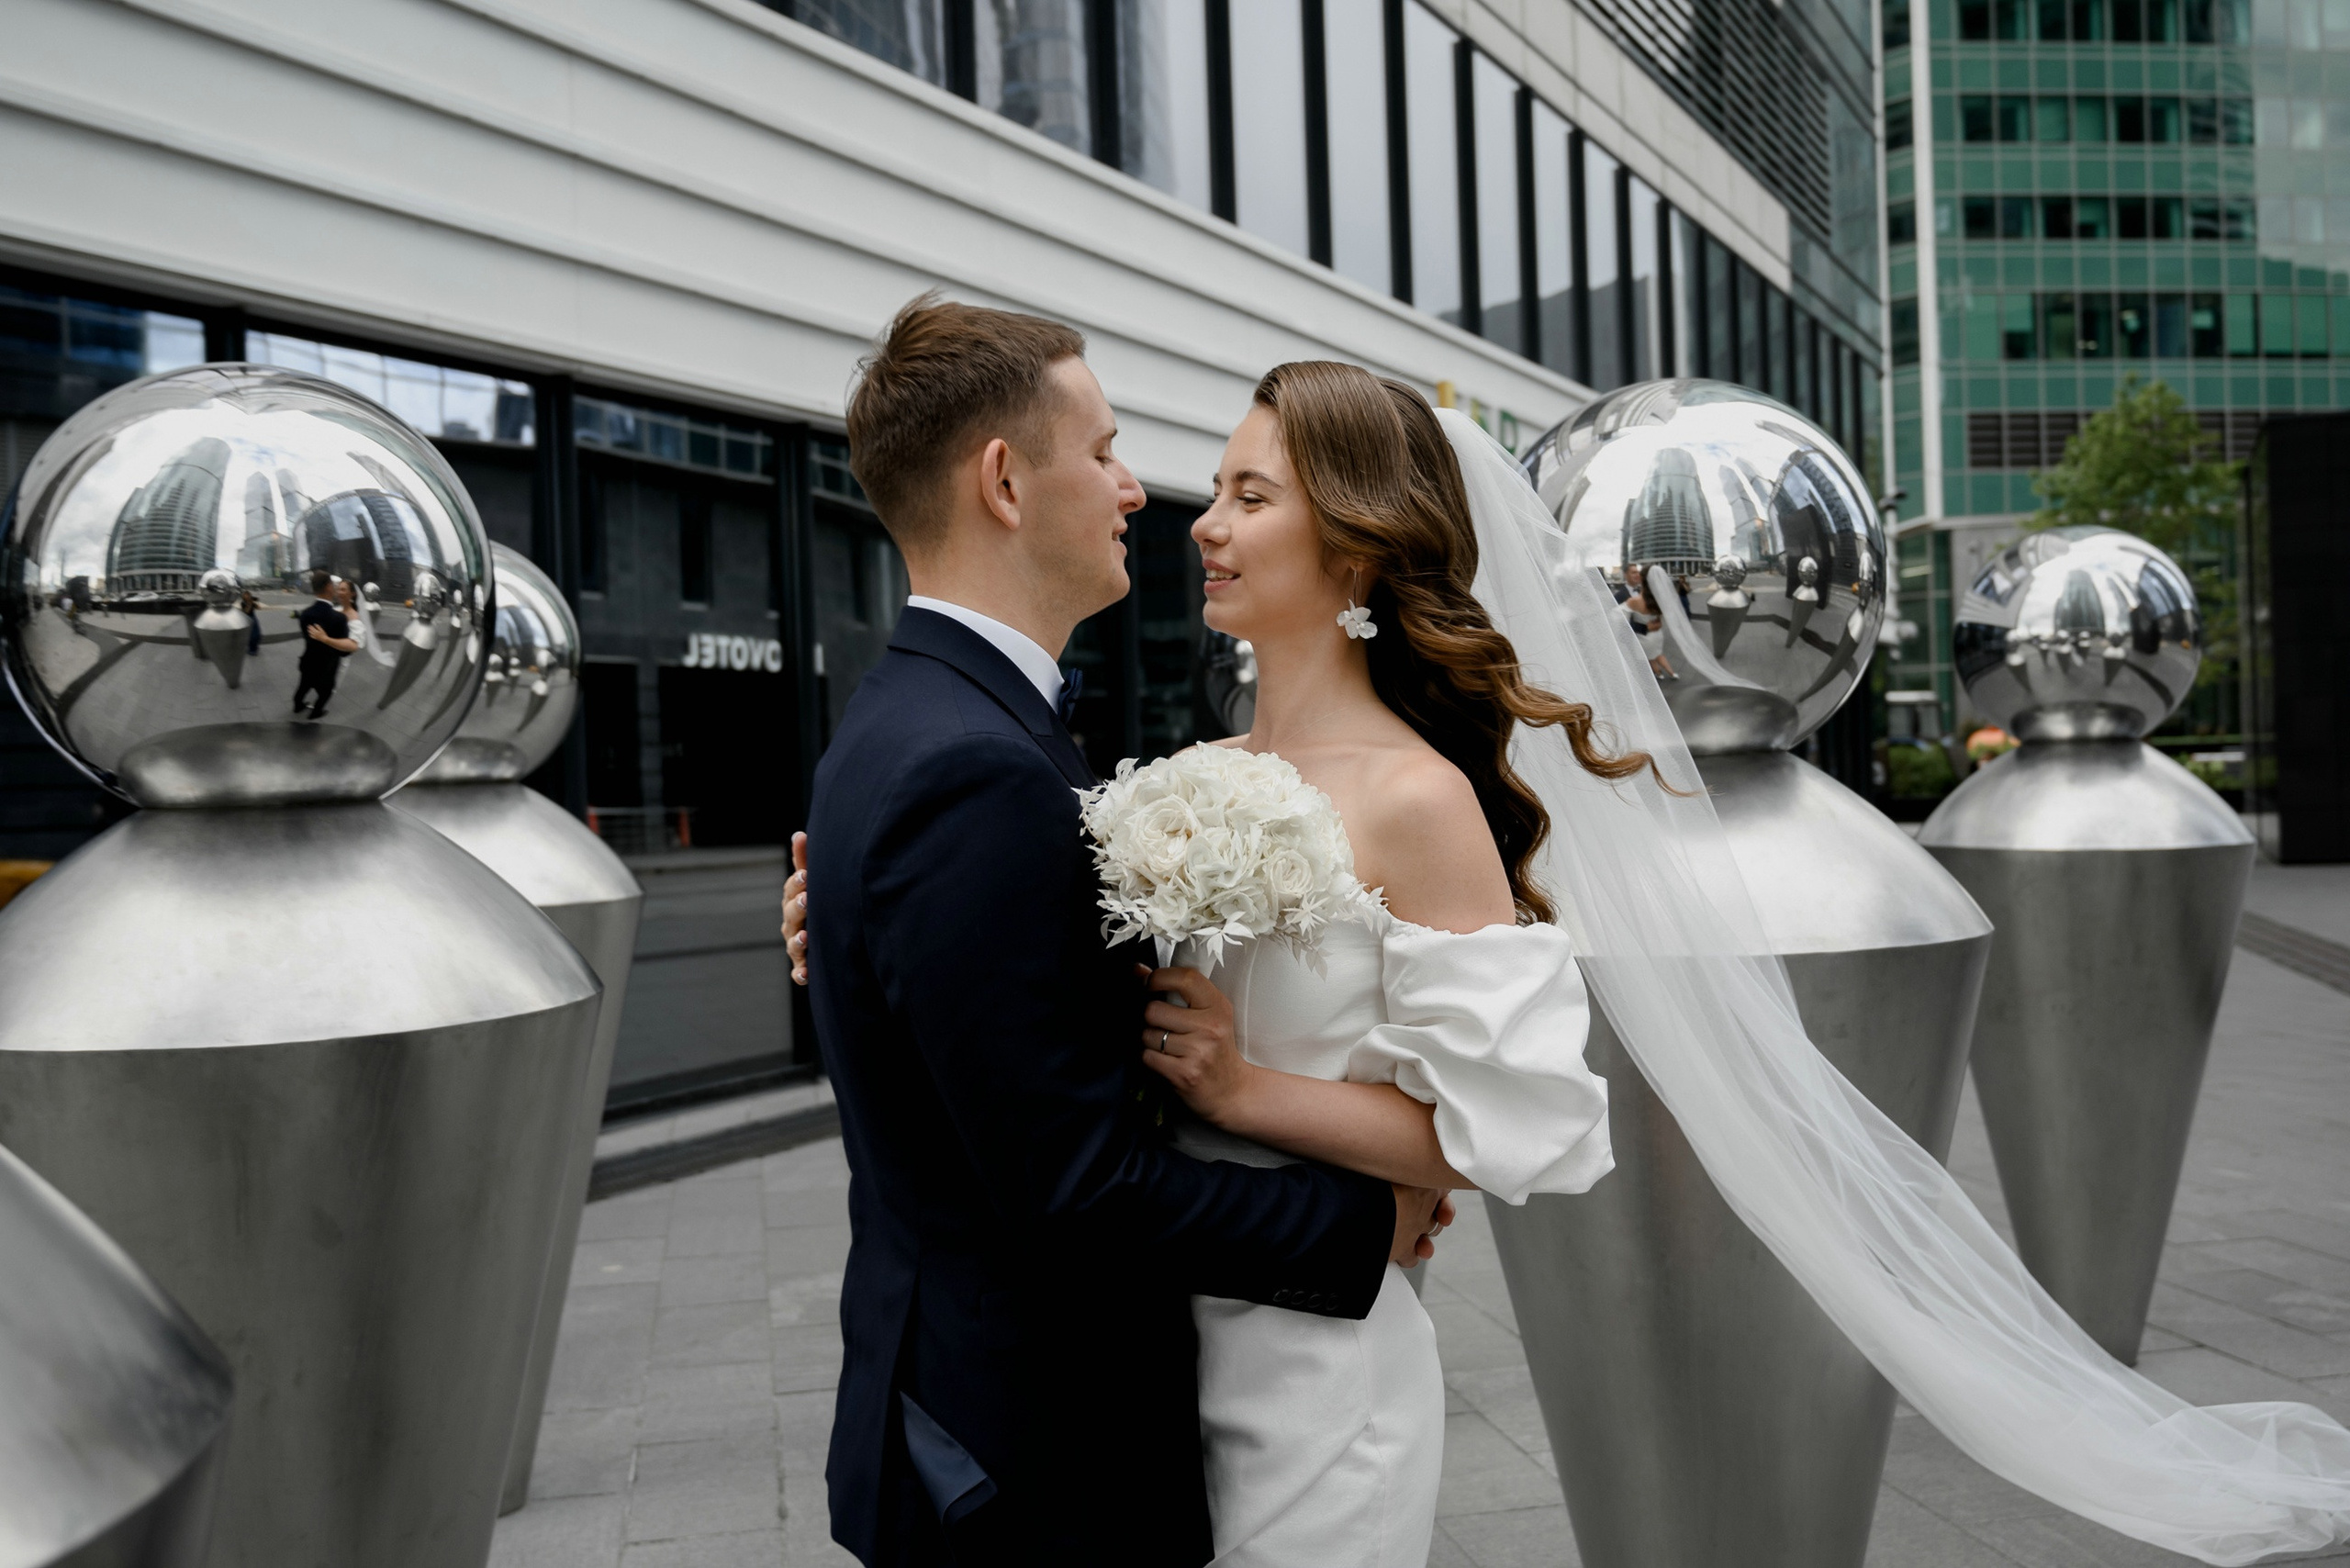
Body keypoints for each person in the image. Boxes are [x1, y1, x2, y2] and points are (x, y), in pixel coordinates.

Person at [800, 299, 1448, 1568]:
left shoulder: (920, 723)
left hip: (977, 1423)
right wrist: (1361, 1226)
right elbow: (1078, 1188)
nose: (1138, 493)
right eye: (1103, 451)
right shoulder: (970, 768)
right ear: (1004, 481)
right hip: (1021, 1469)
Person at [292, 569, 356, 719]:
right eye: (333, 585)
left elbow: (308, 637)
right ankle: (316, 712)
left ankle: (297, 706)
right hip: (327, 666)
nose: (335, 588)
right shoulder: (339, 618)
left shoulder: (306, 614)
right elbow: (344, 651)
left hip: (308, 661)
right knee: (326, 691)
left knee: (303, 686)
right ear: (328, 587)